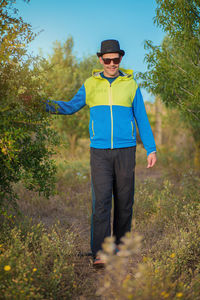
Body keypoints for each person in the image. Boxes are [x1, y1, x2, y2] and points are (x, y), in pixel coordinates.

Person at [45, 39, 157, 267]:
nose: (112, 63)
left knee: (125, 202)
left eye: (116, 59)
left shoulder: (131, 85)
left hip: (126, 150)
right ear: (101, 60)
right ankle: (100, 252)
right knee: (102, 202)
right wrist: (41, 104)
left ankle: (120, 246)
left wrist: (151, 148)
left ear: (121, 59)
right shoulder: (90, 84)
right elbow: (69, 107)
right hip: (99, 153)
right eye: (108, 60)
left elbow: (142, 119)